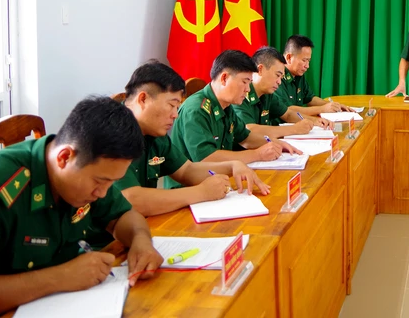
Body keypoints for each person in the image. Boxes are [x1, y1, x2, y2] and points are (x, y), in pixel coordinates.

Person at [0, 97, 164, 315]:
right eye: (100, 181)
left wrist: (141, 241)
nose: (103, 193)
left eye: (112, 183)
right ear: (64, 157)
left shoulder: (90, 174)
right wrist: (59, 277)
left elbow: (124, 215)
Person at [116, 61, 269, 218]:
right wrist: (201, 192)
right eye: (171, 105)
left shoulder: (154, 133)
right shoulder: (113, 131)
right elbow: (131, 199)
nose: (175, 115)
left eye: (177, 107)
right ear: (143, 99)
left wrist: (232, 166)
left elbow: (186, 170)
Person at [170, 50, 300, 190]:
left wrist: (275, 143)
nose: (247, 89)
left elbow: (245, 137)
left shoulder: (226, 105)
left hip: (220, 183)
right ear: (224, 78)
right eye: (244, 82)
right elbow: (207, 158)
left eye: (249, 83)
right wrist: (257, 154)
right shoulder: (196, 110)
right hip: (190, 190)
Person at [233, 46, 334, 139]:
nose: (279, 82)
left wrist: (316, 121)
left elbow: (287, 114)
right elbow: (250, 129)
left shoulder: (267, 95)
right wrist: (294, 129)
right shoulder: (241, 93)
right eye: (277, 75)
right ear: (260, 69)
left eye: (281, 77)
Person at [276, 35, 353, 114]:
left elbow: (310, 98)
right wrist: (322, 109)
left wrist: (334, 106)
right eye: (304, 60)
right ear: (289, 58)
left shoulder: (298, 75)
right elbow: (287, 111)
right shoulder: (277, 77)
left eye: (308, 61)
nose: (307, 66)